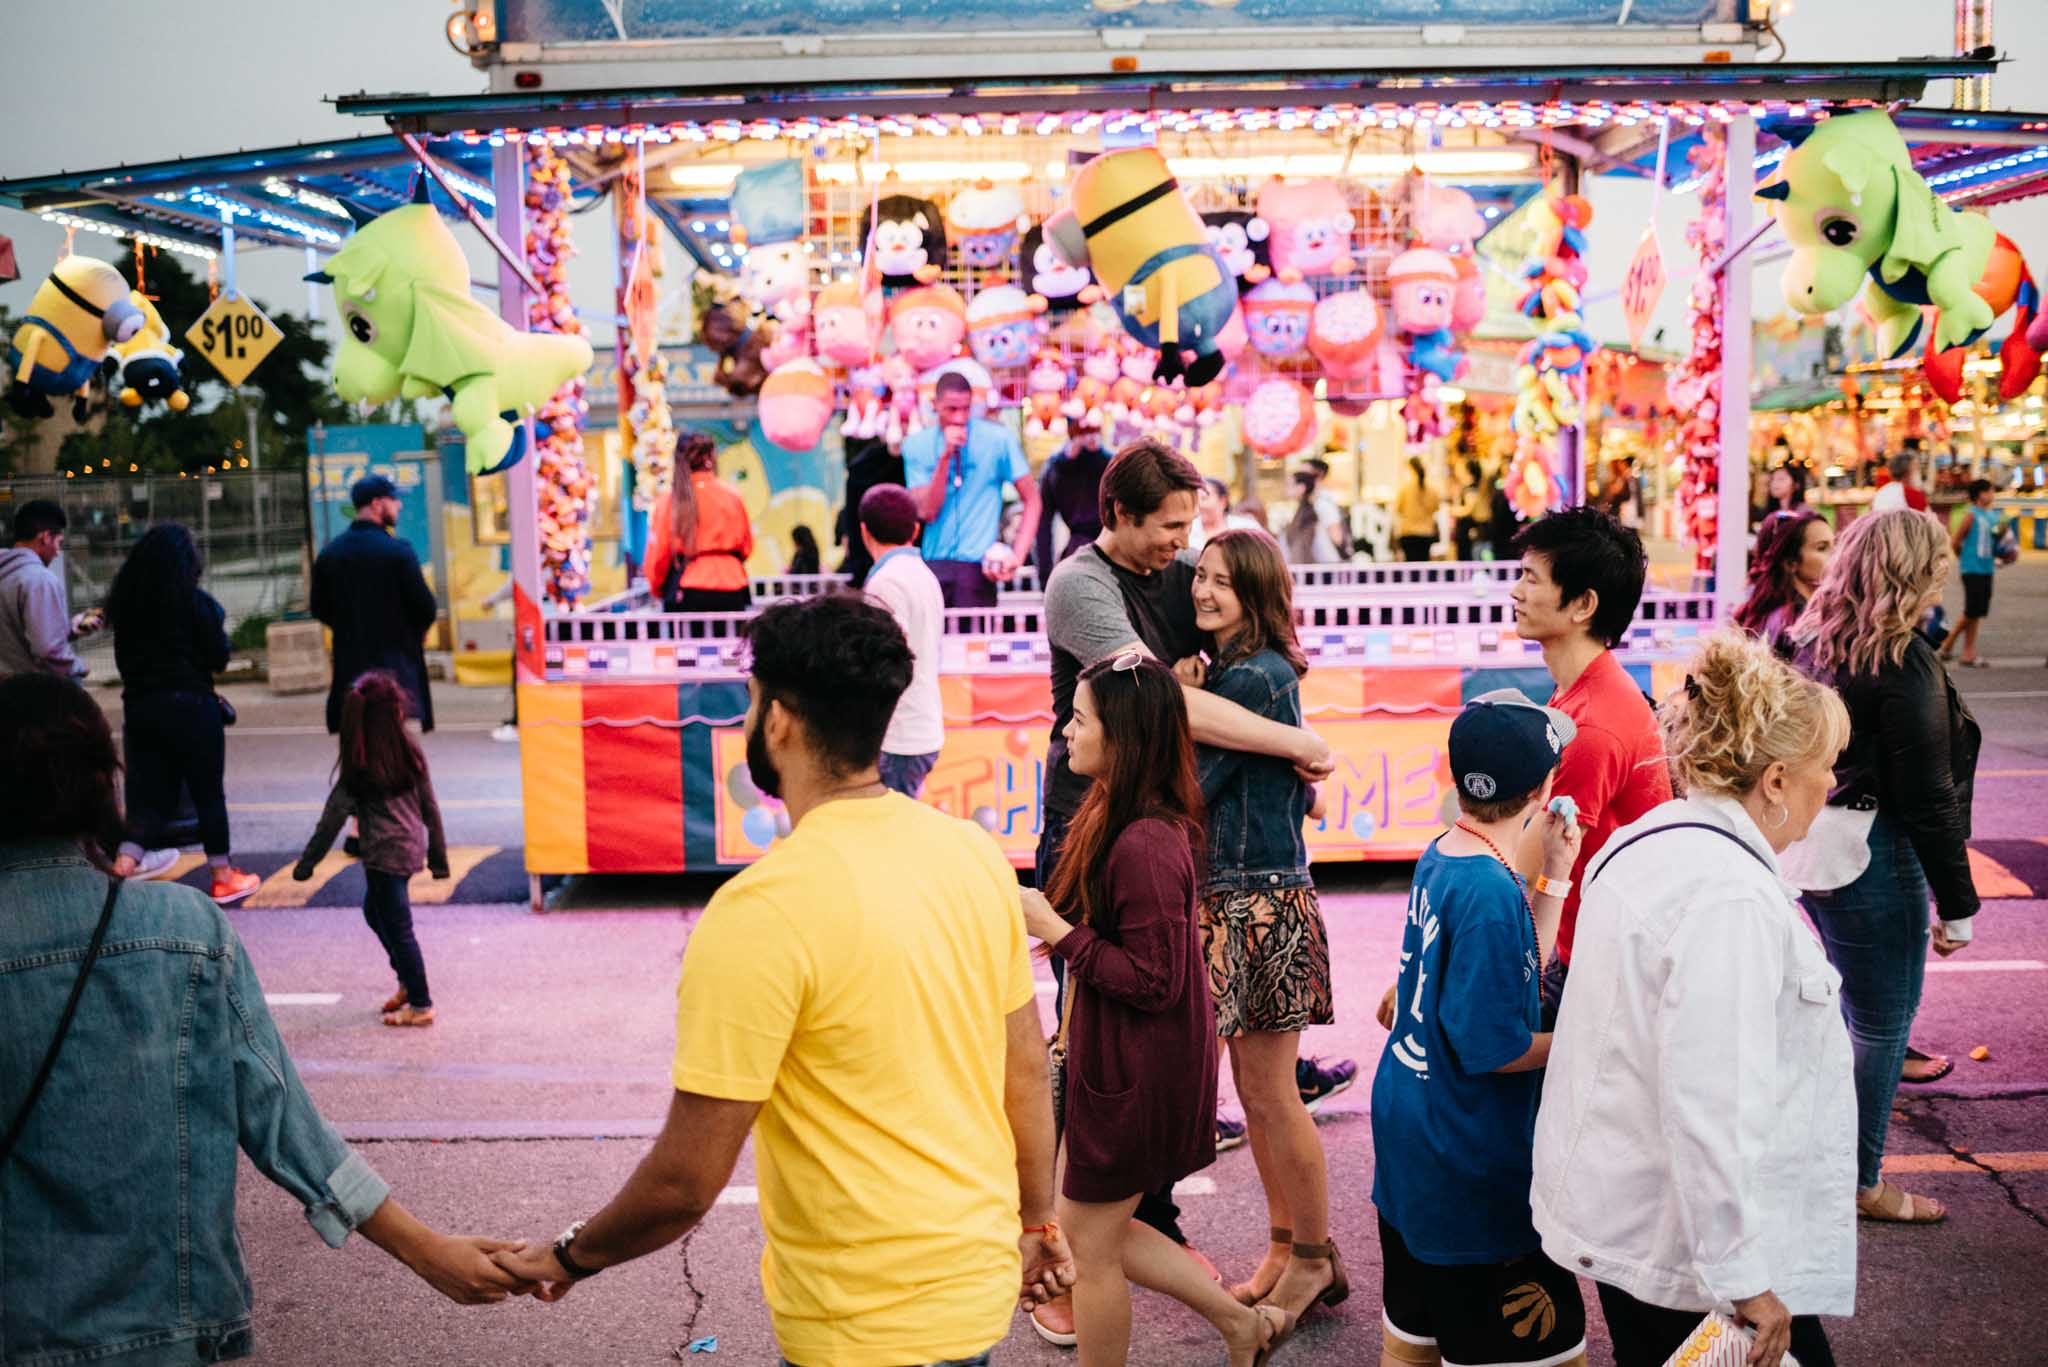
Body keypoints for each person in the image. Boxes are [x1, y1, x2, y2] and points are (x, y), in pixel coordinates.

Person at [491, 595, 1074, 1362]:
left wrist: (564, 1256)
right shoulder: (971, 855)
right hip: (974, 1289)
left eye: (752, 698)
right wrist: (1036, 1224)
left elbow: (684, 1183)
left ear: (777, 722)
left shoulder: (760, 910)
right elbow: (1025, 1072)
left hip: (857, 1324)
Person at [0, 674, 529, 1367]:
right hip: (174, 1326)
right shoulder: (186, 930)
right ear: (104, 783)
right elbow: (284, 1123)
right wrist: (428, 1251)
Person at [1030, 438, 1335, 1346]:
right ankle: (1100, 1244)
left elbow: (1185, 706)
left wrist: (1284, 740)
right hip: (1098, 824)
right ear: (1119, 515)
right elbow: (1160, 702)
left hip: (1170, 841)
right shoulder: (1081, 585)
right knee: (1096, 1050)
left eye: (1205, 561)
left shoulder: (1222, 637)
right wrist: (1295, 744)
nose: (1186, 561)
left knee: (1147, 1043)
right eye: (1172, 535)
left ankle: (1126, 1234)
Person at [1533, 632, 1856, 1367]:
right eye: (1824, 768)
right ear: (1774, 779)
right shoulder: (1728, 897)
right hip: (1689, 1254)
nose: (1830, 785)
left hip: (1641, 1225)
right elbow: (1713, 1097)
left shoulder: (1655, 844)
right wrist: (1745, 1279)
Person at [1019, 654, 1286, 1367]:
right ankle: (1238, 1322)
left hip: (1136, 1069)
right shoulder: (1121, 810)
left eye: (1080, 718)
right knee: (1094, 1230)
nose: (1066, 730)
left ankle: (1235, 1323)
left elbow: (1153, 979)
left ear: (1124, 736)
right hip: (1120, 1059)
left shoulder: (1143, 840)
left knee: (1088, 1245)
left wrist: (1054, 928)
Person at [1372, 691, 1589, 1367]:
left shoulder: (1448, 853)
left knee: (1416, 1332)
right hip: (1467, 1160)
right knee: (1552, 1350)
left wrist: (1553, 877)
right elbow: (1496, 1047)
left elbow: (1515, 964)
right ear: (1543, 787)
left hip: (1413, 1139)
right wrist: (1592, 1042)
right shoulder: (1491, 893)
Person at [1174, 529, 1346, 1338]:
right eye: (1199, 578)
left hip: (1260, 900)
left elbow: (1194, 786)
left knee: (1274, 1094)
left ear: (1255, 590)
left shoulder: (1255, 677)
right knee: (1257, 1091)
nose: (1203, 591)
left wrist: (1180, 701)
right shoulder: (1239, 673)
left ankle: (1312, 1253)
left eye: (1220, 581)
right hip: (1243, 894)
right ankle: (1288, 1248)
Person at [1790, 508, 1980, 1225]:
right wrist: (1958, 906)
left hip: (1816, 849)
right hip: (1876, 853)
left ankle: (1827, 1158)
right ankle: (1861, 1180)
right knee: (1880, 1026)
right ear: (1913, 570)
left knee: (1849, 1018)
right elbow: (1929, 797)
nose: (1944, 575)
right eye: (1936, 563)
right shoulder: (1901, 660)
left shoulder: (1810, 639)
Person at [1506, 505, 1672, 1020]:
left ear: (1582, 604)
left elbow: (1523, 867)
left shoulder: (1593, 723)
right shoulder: (1583, 690)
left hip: (1602, 967)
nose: (1516, 592)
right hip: (1586, 949)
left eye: (1532, 579)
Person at [105, 524, 261, 904]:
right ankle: (223, 876)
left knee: (148, 797)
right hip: (192, 707)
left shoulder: (126, 606)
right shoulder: (196, 603)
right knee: (208, 793)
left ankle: (122, 868)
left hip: (141, 708)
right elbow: (219, 657)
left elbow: (122, 662)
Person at [293, 671, 450, 1028]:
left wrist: (308, 864)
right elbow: (431, 807)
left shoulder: (360, 765)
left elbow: (331, 819)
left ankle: (421, 1002)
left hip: (383, 857)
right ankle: (408, 984)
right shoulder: (408, 750)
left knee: (398, 928)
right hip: (409, 850)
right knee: (374, 912)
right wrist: (437, 858)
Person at [311, 474, 438, 735]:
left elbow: (319, 608)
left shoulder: (330, 554)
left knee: (358, 745)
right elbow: (425, 607)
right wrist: (414, 631)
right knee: (392, 746)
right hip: (395, 673)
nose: (399, 506)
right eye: (394, 500)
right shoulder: (398, 552)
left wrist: (348, 625)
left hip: (350, 671)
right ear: (377, 504)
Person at [907, 370, 1043, 608]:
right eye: (951, 409)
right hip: (934, 563)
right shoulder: (916, 445)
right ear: (934, 405)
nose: (959, 418)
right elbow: (927, 511)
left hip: (978, 568)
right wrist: (945, 457)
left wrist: (1017, 555)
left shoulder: (998, 439)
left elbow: (1032, 499)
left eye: (966, 409)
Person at [860, 484, 946, 799]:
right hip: (919, 727)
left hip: (899, 734)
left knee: (888, 835)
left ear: (864, 531)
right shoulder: (923, 574)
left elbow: (888, 662)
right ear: (915, 529)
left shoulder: (887, 582)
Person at [646, 432, 755, 613]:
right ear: (711, 457)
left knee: (688, 642)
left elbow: (659, 554)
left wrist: (659, 589)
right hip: (733, 587)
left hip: (687, 589)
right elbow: (747, 546)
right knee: (731, 641)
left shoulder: (669, 502)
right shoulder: (732, 496)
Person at [0, 498, 86, 679]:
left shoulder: (6, 573)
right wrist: (78, 667)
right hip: (35, 692)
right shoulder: (39, 580)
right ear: (46, 537)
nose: (57, 552)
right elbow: (47, 648)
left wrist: (69, 630)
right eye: (59, 542)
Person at [1733, 508, 1833, 657]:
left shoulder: (1768, 613)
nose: (1836, 554)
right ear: (1791, 563)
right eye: (1822, 548)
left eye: (1835, 544)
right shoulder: (1795, 623)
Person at [1941, 478, 2008, 668]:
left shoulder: (1993, 516)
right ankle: (1951, 645)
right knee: (1972, 610)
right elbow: (1955, 541)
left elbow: (1996, 541)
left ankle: (1965, 651)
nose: (1992, 495)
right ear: (1980, 494)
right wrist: (1963, 558)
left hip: (1987, 568)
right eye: (1989, 491)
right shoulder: (1971, 515)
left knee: (1976, 612)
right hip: (1972, 569)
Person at [1036, 418, 1113, 572]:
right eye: (1084, 431)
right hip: (1085, 552)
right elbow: (1043, 524)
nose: (1089, 437)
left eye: (1093, 431)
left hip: (1105, 550)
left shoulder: (1111, 463)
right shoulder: (1056, 467)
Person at [837, 431, 905, 585]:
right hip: (900, 557)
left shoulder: (858, 469)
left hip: (867, 562)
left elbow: (852, 524)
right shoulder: (903, 462)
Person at [1284, 458, 1349, 565]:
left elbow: (1337, 538)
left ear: (1318, 475)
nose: (1300, 475)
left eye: (1305, 472)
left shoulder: (1322, 504)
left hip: (1325, 567)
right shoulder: (1309, 504)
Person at [1187, 476, 1261, 552]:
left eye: (1204, 498)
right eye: (1196, 499)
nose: (1200, 504)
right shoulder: (1188, 530)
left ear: (1223, 501)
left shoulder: (1246, 527)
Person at [1394, 457, 1441, 563]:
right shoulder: (1432, 490)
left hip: (1408, 533)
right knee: (1423, 566)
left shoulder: (1405, 489)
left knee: (1410, 568)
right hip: (1426, 533)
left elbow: (1398, 509)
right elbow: (1436, 508)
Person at [1450, 460, 1492, 563]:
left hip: (1472, 534)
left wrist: (1453, 510)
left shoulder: (1470, 489)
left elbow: (1468, 510)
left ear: (1467, 471)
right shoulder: (1472, 488)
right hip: (1473, 533)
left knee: (1471, 562)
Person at [1870, 448, 1927, 514]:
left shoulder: (1881, 492)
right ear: (1907, 472)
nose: (1918, 473)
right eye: (1916, 469)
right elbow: (1926, 521)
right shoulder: (1913, 495)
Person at [1752, 463, 1806, 527]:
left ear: (1796, 485)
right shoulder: (1768, 512)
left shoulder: (1802, 513)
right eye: (1772, 479)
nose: (1774, 483)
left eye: (1781, 479)